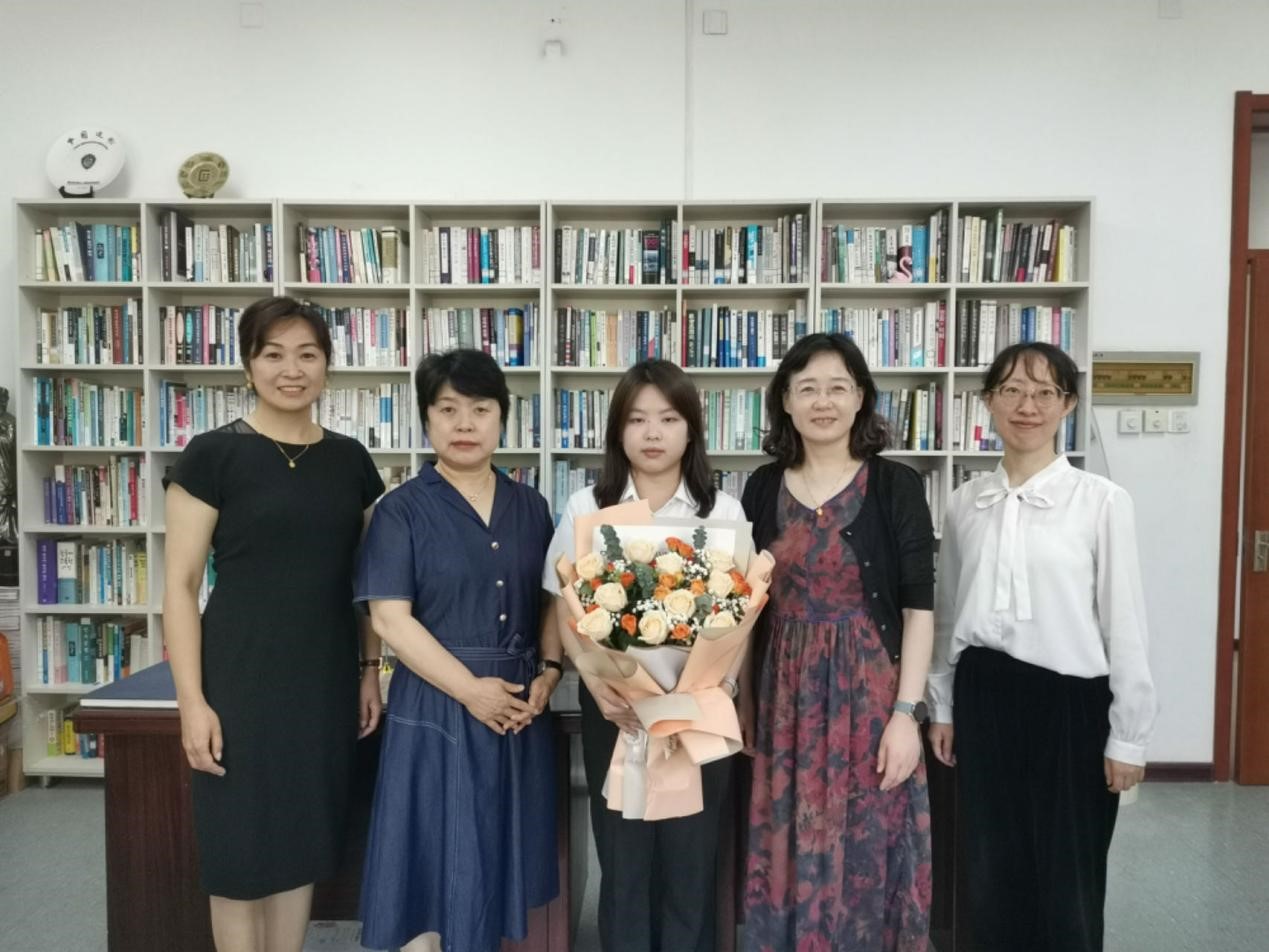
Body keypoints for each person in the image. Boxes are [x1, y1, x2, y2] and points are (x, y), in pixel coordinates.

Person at [163, 296, 385, 952]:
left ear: (328, 365)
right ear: (247, 365)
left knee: (301, 847)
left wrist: (368, 671)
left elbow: (367, 584)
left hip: (322, 682)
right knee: (236, 857)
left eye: (307, 354)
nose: (292, 370)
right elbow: (179, 586)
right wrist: (192, 703)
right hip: (239, 679)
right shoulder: (211, 455)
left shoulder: (351, 461)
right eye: (273, 354)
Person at [927, 342, 1156, 952]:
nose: (1027, 406)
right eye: (1011, 391)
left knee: (1068, 875)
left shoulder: (1101, 501)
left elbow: (1125, 622)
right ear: (988, 402)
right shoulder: (966, 502)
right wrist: (943, 706)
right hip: (984, 695)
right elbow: (948, 614)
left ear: (1068, 404)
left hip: (1070, 705)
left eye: (1044, 393)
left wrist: (1129, 736)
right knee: (991, 872)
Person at [356, 349, 560, 952]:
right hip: (437, 703)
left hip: (515, 709)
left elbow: (551, 601)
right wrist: (470, 691)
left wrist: (550, 670)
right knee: (430, 860)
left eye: (480, 409)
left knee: (491, 859)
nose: (464, 423)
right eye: (448, 410)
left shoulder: (531, 507)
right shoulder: (400, 510)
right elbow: (389, 619)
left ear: (503, 419)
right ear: (426, 419)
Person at [740, 332, 934, 952]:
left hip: (870, 695)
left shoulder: (897, 485)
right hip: (784, 697)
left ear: (860, 399)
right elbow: (744, 605)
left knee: (870, 837)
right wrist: (744, 698)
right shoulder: (761, 486)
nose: (822, 402)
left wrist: (906, 714)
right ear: (785, 402)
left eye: (837, 387)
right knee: (787, 836)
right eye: (807, 388)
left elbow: (919, 608)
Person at [543, 358, 745, 952]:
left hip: (699, 712)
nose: (653, 433)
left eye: (668, 418)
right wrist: (597, 683)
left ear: (691, 429)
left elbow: (742, 617)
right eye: (637, 419)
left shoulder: (722, 512)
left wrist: (723, 688)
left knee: (691, 862)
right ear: (618, 430)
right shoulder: (587, 506)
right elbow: (563, 605)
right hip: (618, 709)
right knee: (624, 863)